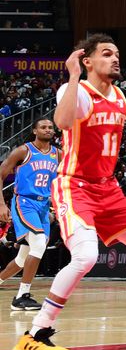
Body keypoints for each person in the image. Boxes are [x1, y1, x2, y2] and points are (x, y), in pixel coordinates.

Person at [12, 34, 126, 350]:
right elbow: (63, 122)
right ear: (88, 61)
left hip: (108, 188)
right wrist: (73, 76)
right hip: (74, 186)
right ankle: (35, 334)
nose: (115, 59)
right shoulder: (75, 90)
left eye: (117, 54)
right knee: (84, 257)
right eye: (107, 54)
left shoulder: (123, 98)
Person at [0, 118, 60, 311]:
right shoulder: (23, 151)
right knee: (39, 245)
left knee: (22, 259)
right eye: (43, 127)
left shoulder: (58, 154)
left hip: (44, 206)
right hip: (25, 202)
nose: (48, 130)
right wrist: (1, 204)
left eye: (50, 127)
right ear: (35, 130)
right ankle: (21, 296)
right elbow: (1, 175)